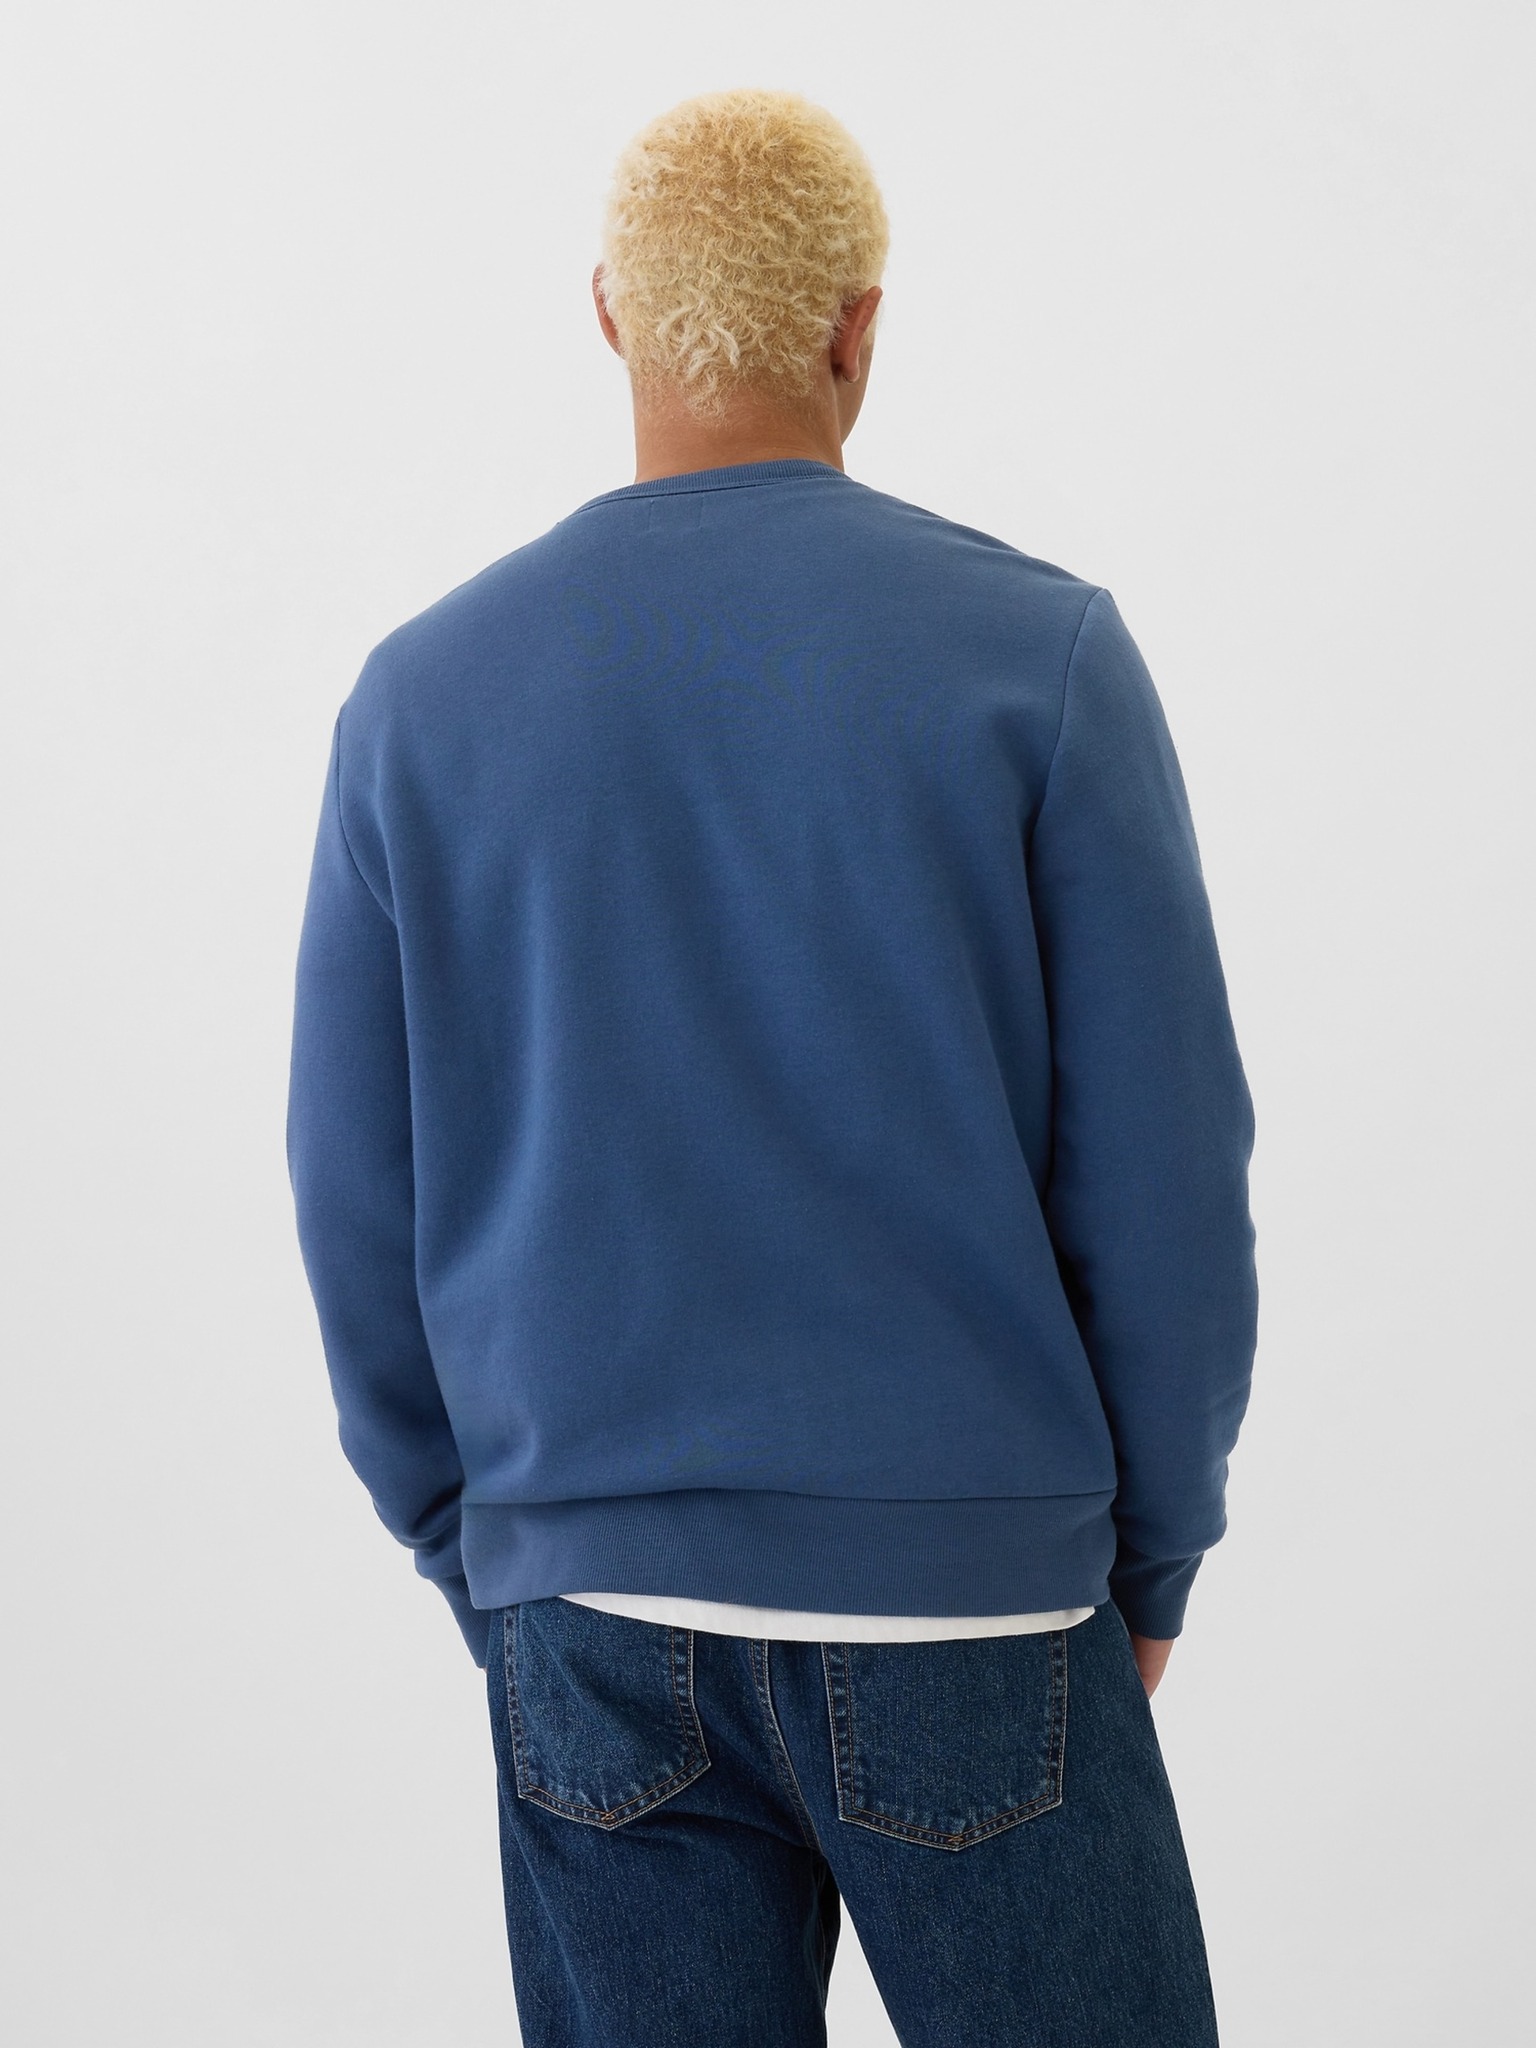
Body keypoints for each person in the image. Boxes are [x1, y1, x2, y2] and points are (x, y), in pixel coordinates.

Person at [286, 85, 1258, 2048]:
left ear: (610, 313)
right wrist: (1150, 1553)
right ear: (856, 325)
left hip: (590, 1603)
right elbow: (1165, 1181)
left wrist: (485, 1551)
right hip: (975, 1595)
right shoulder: (1039, 660)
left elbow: (351, 1187)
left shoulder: (424, 697)